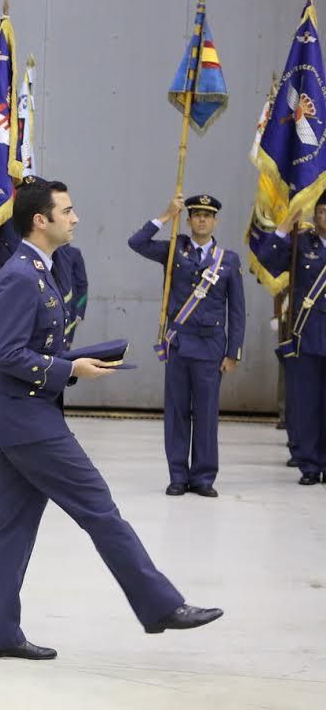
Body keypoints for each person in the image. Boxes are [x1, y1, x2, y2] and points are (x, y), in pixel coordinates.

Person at [0, 179, 222, 660]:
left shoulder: (39, 270)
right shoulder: (20, 277)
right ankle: (160, 604)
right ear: (39, 221)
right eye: (67, 210)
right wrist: (69, 369)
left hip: (25, 413)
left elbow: (34, 345)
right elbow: (5, 353)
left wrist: (82, 359)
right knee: (99, 508)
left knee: (12, 527)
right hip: (28, 420)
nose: (76, 218)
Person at [129, 194, 245, 497]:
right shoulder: (174, 249)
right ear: (190, 218)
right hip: (179, 345)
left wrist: (233, 352)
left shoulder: (228, 259)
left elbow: (237, 310)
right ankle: (178, 475)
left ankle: (204, 477)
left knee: (206, 415)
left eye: (208, 215)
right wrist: (166, 215)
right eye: (196, 215)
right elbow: (137, 242)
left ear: (215, 221)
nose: (202, 220)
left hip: (210, 349)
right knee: (177, 413)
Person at [251, 195, 326, 485]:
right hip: (305, 336)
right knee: (306, 405)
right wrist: (283, 228)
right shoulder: (302, 243)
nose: (325, 216)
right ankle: (309, 465)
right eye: (321, 211)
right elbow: (268, 260)